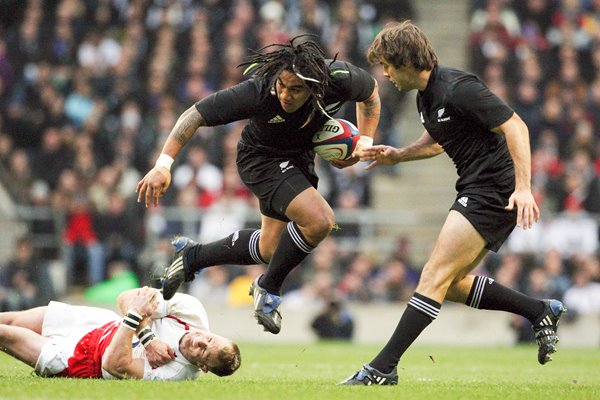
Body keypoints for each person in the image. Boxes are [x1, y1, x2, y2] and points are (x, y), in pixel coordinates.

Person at [340, 21, 566, 386]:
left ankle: (383, 368)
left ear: (406, 61)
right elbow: (437, 140)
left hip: (493, 190)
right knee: (452, 283)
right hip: (477, 187)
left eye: (388, 65)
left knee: (433, 275)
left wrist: (524, 188)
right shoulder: (425, 96)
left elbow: (516, 127)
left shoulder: (459, 88)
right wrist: (400, 155)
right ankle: (539, 310)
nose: (385, 74)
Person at [136, 36, 380, 334]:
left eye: (295, 89)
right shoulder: (258, 92)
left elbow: (370, 95)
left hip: (299, 159)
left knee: (268, 249)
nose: (285, 95)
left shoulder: (338, 78)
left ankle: (192, 258)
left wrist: (362, 145)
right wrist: (163, 165)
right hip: (260, 159)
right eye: (282, 85)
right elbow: (193, 116)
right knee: (320, 221)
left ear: (315, 86)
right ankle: (269, 287)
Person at [0, 286, 240, 380]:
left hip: (82, 359)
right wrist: (148, 339)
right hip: (100, 323)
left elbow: (113, 364)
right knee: (10, 319)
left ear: (203, 367)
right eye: (209, 338)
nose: (200, 340)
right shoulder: (193, 311)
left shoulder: (176, 374)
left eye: (204, 350)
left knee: (5, 334)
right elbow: (126, 297)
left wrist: (137, 316)